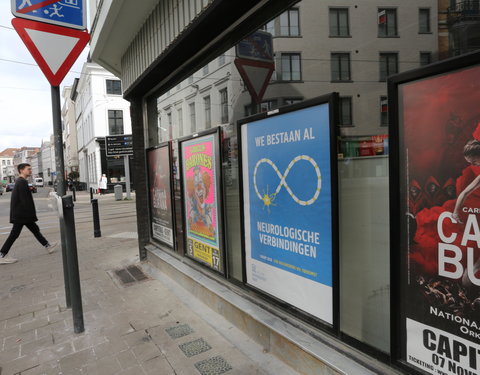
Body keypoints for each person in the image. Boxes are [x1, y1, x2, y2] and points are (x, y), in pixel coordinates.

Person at [0, 163, 57, 264]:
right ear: (21, 170)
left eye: (30, 169)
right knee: (14, 234)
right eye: (28, 169)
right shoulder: (21, 182)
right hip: (22, 215)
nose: (30, 171)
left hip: (22, 214)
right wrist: (31, 215)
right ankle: (2, 255)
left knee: (35, 230)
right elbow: (24, 200)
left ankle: (48, 246)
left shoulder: (21, 181)